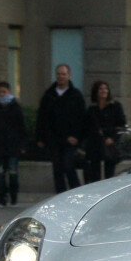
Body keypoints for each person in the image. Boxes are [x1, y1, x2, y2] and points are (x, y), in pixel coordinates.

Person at [35, 64, 88, 193]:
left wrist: (77, 137)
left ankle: (76, 193)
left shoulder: (76, 96)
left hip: (71, 140)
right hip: (54, 140)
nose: (61, 77)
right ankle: (60, 195)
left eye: (63, 74)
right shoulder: (49, 95)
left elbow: (82, 119)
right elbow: (42, 117)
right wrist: (40, 137)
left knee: (69, 166)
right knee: (57, 168)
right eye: (59, 74)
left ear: (69, 76)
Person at [0, 81, 30, 206]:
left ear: (9, 92)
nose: (1, 94)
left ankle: (13, 195)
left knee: (13, 172)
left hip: (13, 146)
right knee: (0, 174)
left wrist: (22, 146)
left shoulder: (16, 108)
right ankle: (2, 197)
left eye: (4, 92)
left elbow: (22, 128)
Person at [84, 80, 127, 183]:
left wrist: (112, 138)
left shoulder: (115, 106)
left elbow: (122, 125)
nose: (104, 91)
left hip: (110, 144)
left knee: (109, 172)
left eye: (105, 88)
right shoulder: (92, 108)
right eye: (101, 89)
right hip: (95, 144)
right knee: (95, 173)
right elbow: (87, 126)